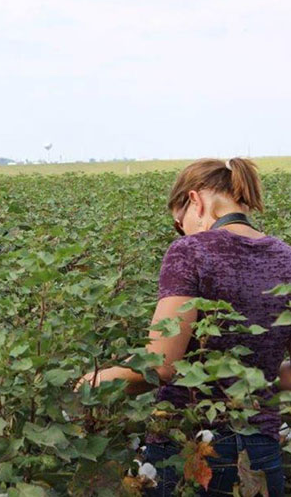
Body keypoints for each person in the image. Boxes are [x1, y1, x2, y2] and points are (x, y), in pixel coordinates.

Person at [78, 158, 291, 495]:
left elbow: (161, 367)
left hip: (190, 447)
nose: (183, 231)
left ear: (196, 201)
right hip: (262, 451)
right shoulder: (286, 257)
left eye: (180, 223)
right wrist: (254, 378)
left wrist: (101, 381)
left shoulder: (190, 252)